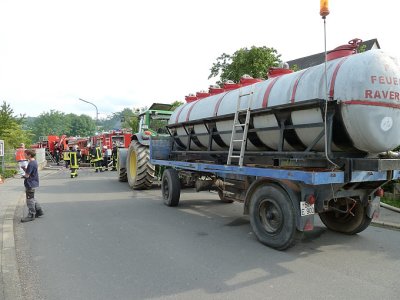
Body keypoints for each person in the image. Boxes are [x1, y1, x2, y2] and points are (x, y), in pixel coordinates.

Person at [21, 149, 44, 223]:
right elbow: (30, 172)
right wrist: (25, 169)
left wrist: (23, 176)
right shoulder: (34, 162)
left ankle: (31, 215)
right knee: (32, 198)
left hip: (30, 183)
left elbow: (27, 175)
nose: (24, 155)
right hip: (33, 182)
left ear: (29, 155)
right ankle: (39, 211)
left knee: (29, 200)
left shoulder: (31, 163)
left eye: (25, 154)